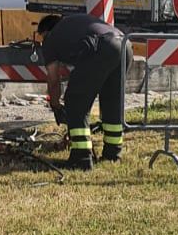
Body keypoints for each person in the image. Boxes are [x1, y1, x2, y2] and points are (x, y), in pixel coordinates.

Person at [36, 12, 132, 170]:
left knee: (75, 101)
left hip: (102, 47)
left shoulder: (51, 38)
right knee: (111, 100)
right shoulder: (74, 24)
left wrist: (55, 104)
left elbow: (53, 79)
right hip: (124, 45)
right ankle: (113, 153)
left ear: (46, 32)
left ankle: (81, 158)